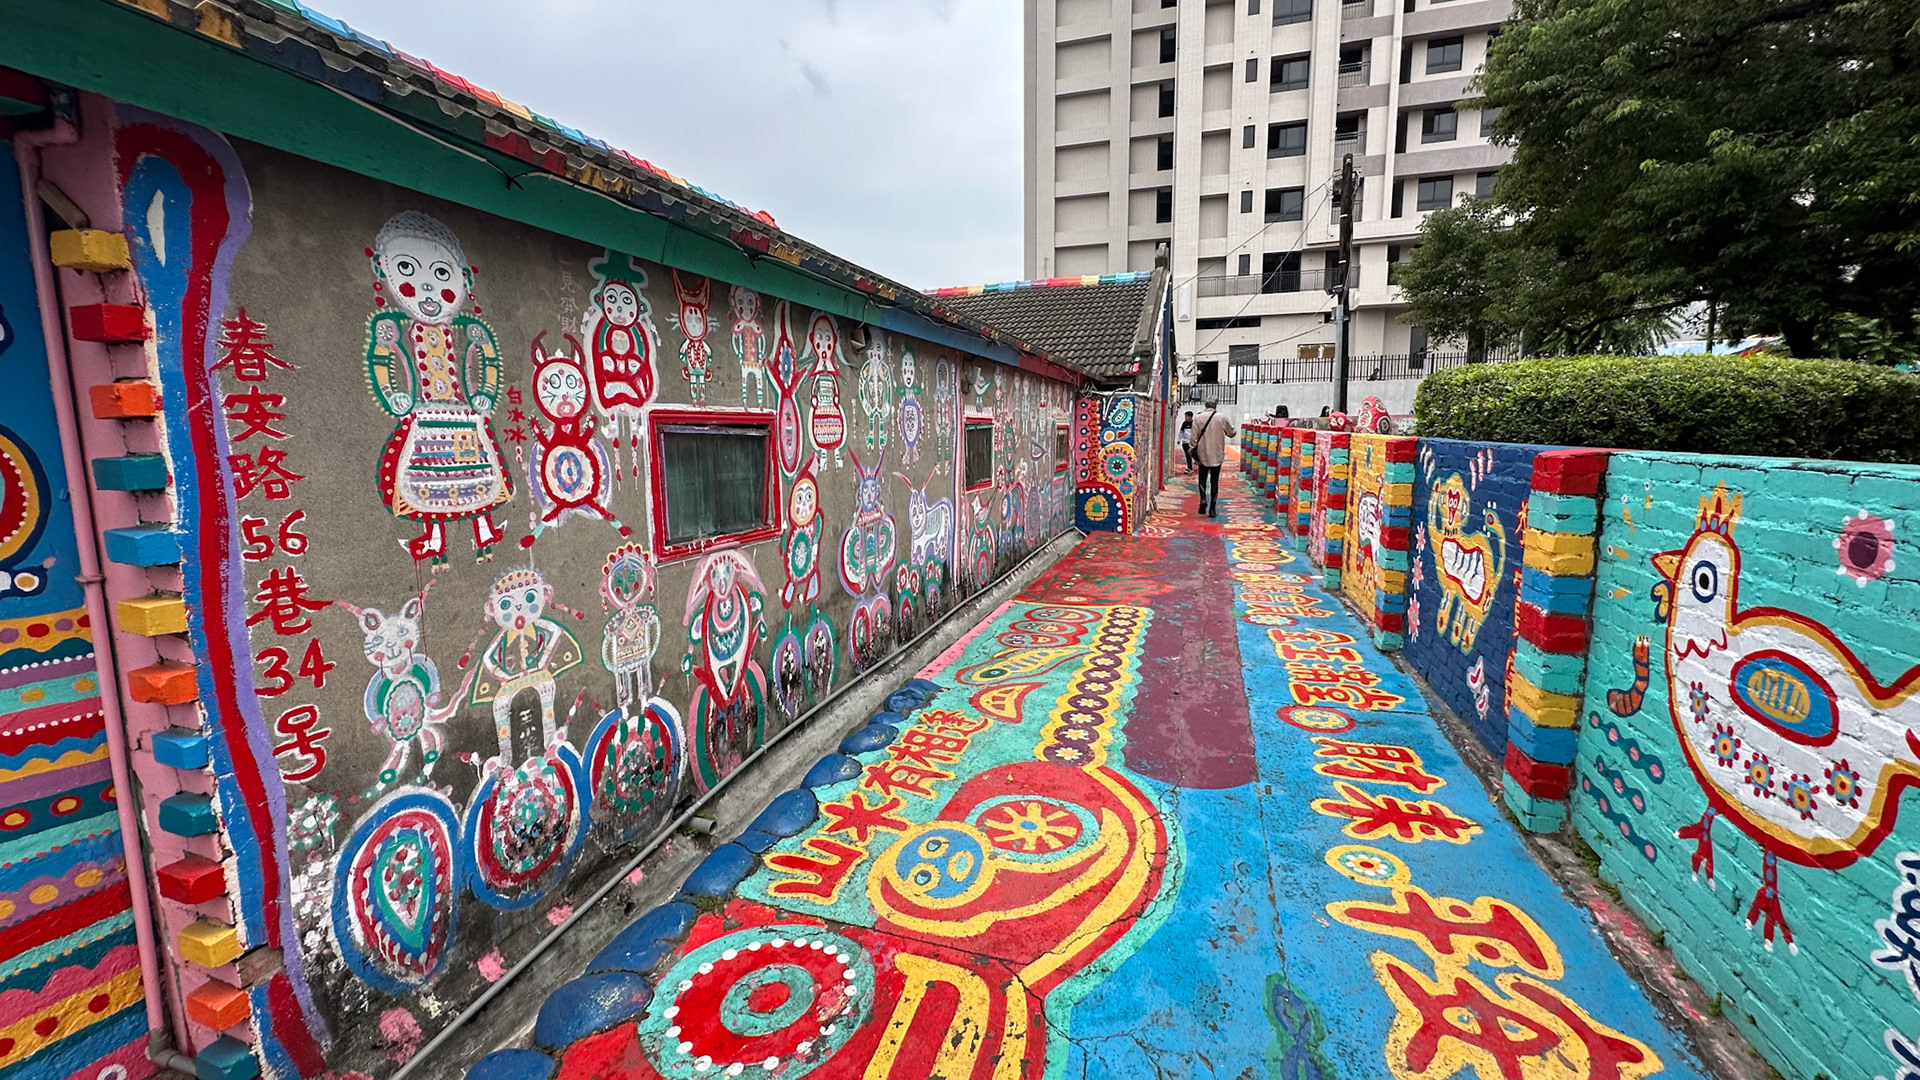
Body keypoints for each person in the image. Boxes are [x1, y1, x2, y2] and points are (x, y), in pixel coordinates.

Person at [1190, 399, 1236, 518]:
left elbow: (1193, 438)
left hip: (1202, 454)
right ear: (1215, 405)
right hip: (1217, 454)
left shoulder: (1197, 418)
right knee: (1214, 481)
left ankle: (1203, 499)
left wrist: (1193, 451)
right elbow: (1231, 433)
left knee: (1202, 479)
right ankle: (1212, 508)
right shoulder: (1222, 418)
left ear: (1205, 405)